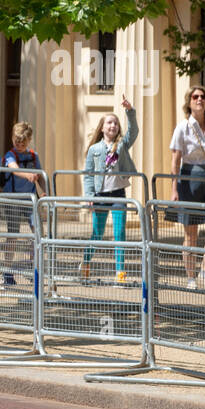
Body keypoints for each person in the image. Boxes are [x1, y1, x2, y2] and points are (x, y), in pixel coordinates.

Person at [169, 86, 205, 290]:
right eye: (195, 96)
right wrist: (174, 188)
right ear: (189, 102)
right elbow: (175, 160)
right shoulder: (182, 127)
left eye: (203, 96)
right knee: (191, 234)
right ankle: (191, 277)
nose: (199, 99)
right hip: (189, 180)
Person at [81, 97, 138, 284]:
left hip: (118, 194)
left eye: (115, 123)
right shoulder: (94, 149)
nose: (113, 126)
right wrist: (89, 196)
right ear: (102, 127)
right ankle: (86, 262)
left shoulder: (122, 144)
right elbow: (88, 174)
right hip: (100, 195)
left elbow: (134, 131)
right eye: (109, 122)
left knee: (119, 233)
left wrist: (130, 111)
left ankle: (120, 272)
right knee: (97, 233)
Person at [0, 121, 45, 286]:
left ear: (29, 140)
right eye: (17, 141)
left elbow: (40, 175)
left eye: (23, 142)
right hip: (13, 200)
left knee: (37, 233)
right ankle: (7, 272)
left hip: (30, 199)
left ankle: (32, 267)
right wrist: (27, 175)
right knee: (12, 235)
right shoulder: (10, 155)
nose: (19, 144)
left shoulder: (33, 156)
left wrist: (46, 194)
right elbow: (14, 169)